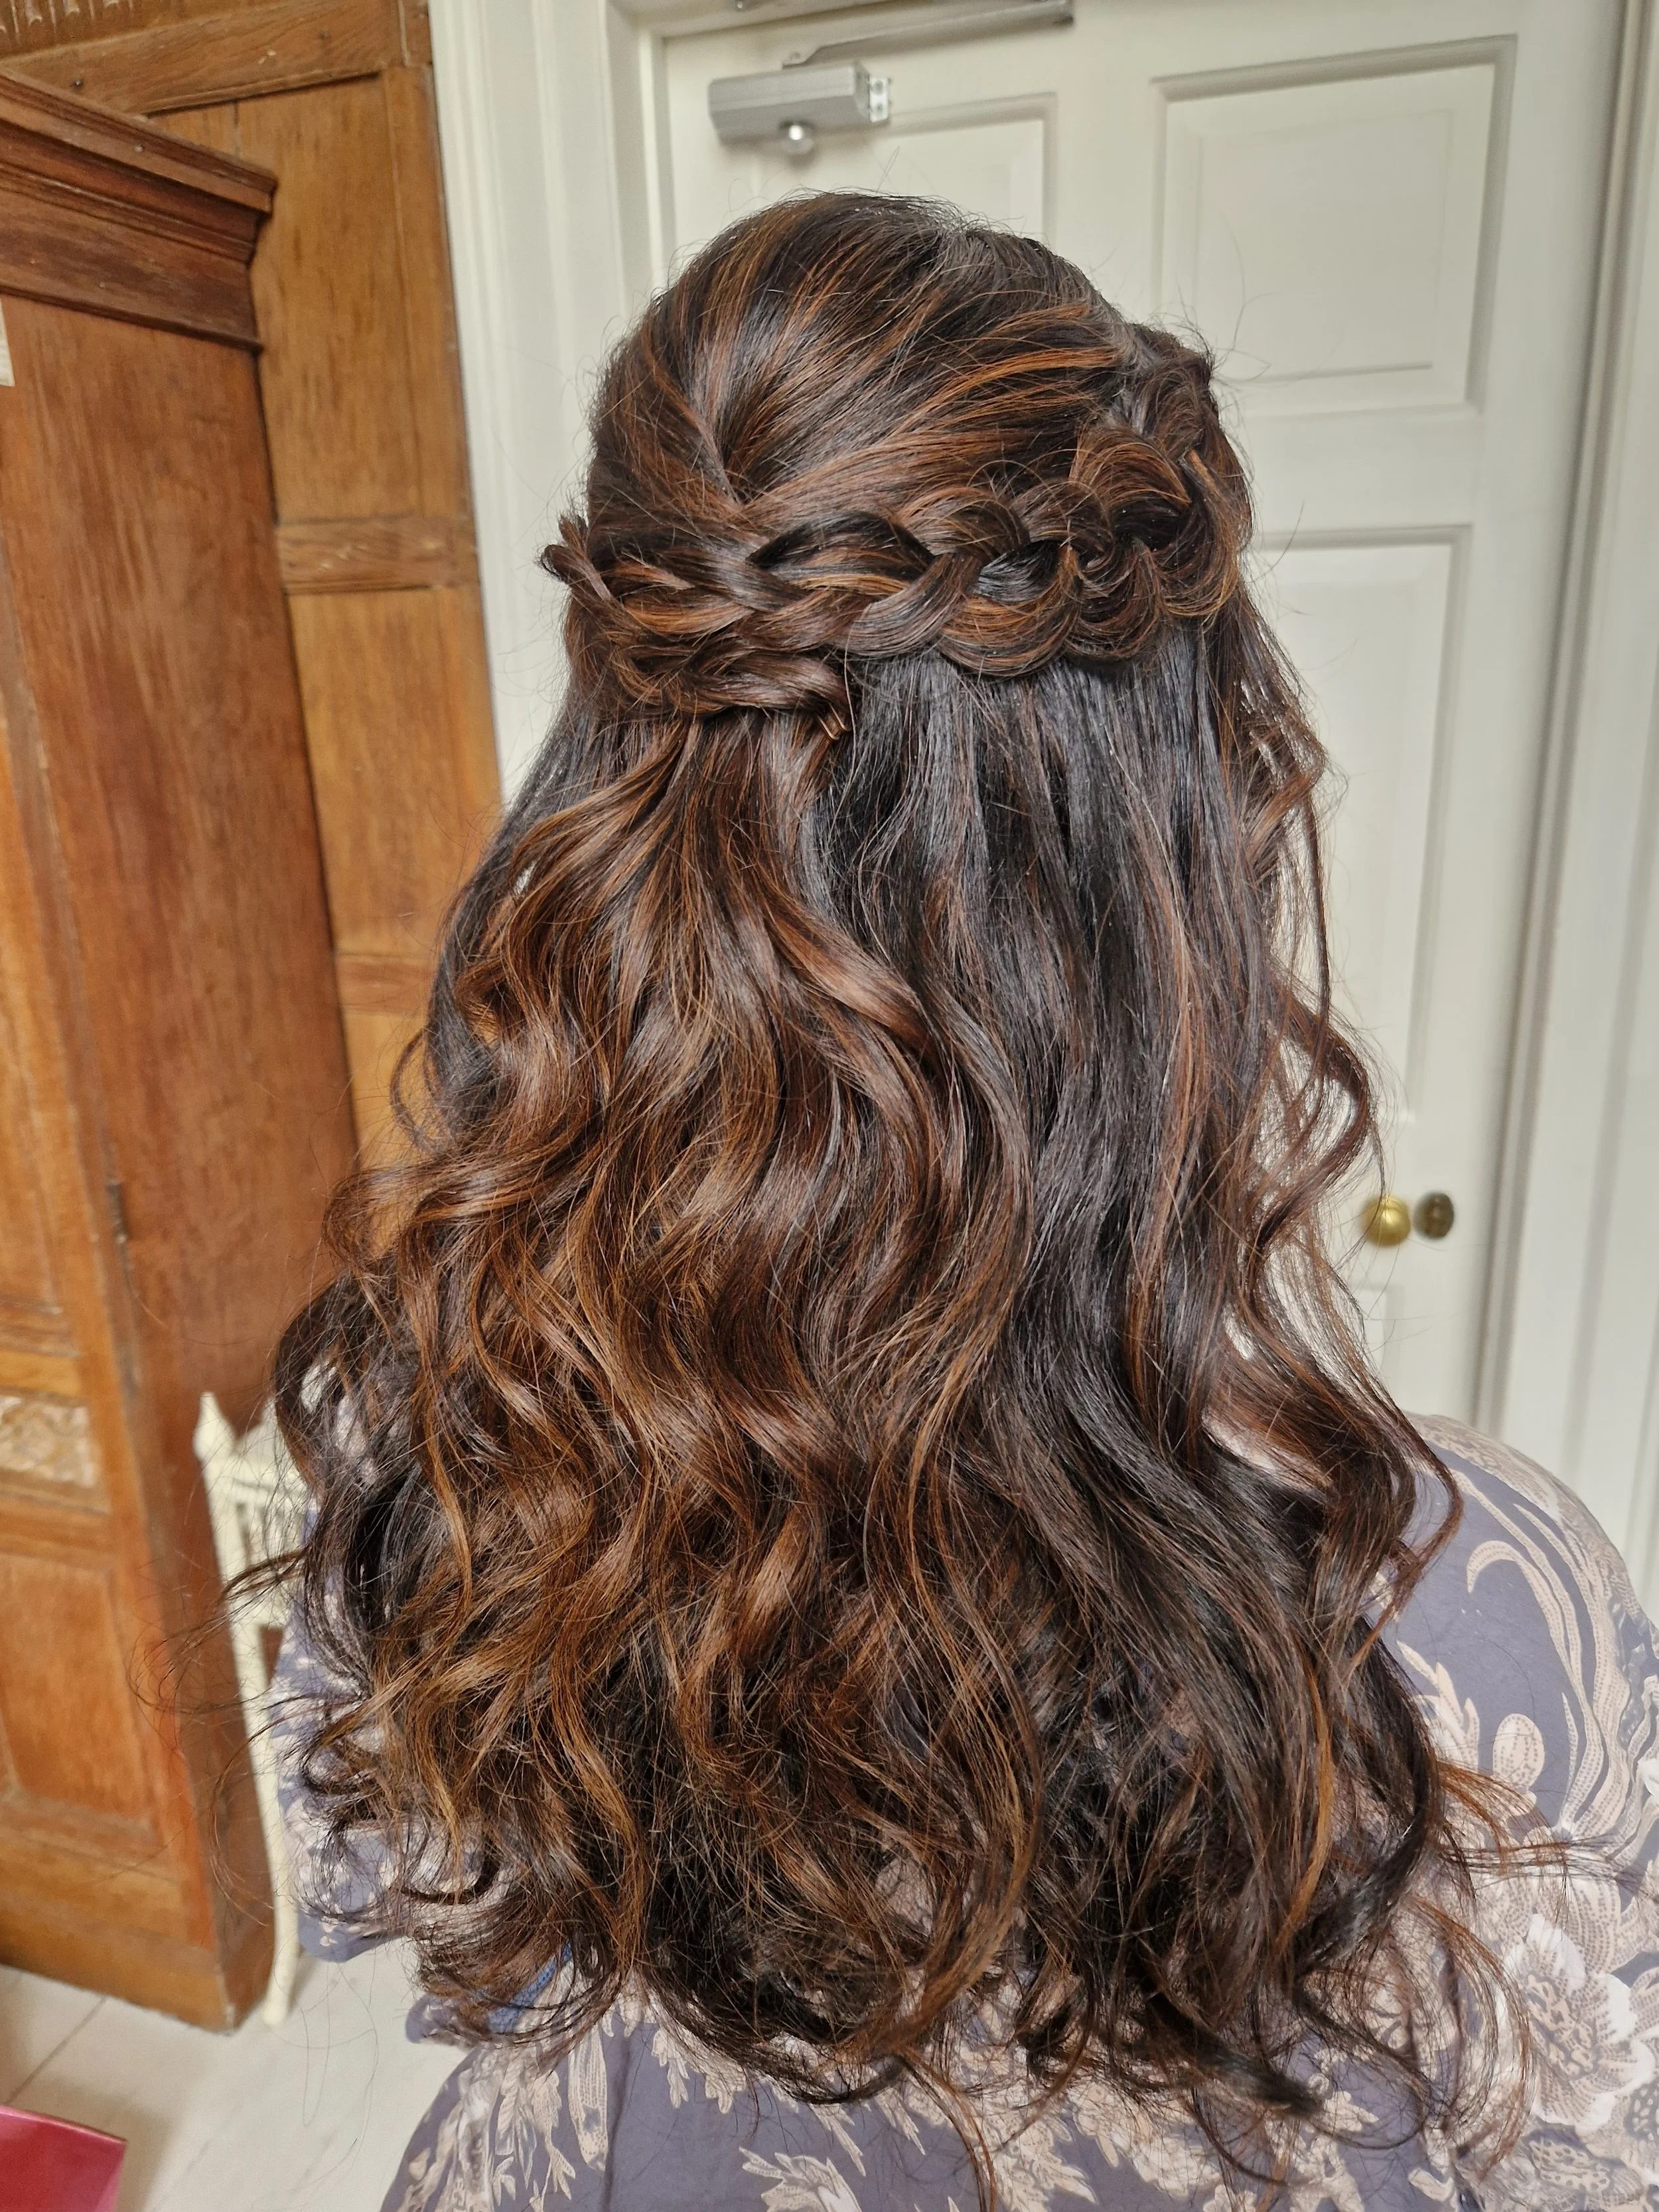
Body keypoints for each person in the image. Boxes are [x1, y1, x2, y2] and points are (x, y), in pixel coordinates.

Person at [268, 194, 1659, 2211]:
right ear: (1177, 834)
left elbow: (414, 1930)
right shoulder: (1471, 1636)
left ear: (603, 764)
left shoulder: (443, 1438)